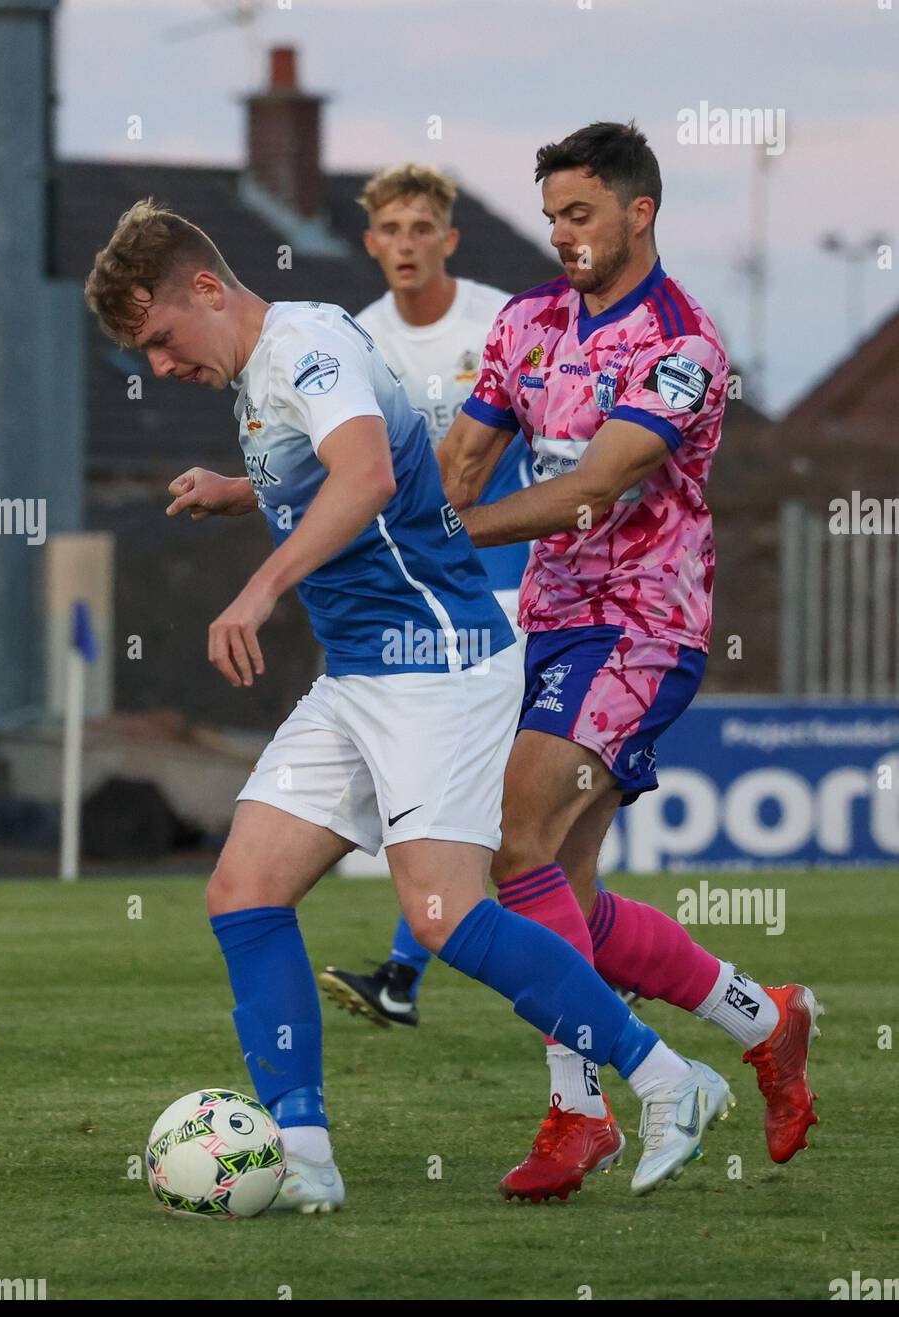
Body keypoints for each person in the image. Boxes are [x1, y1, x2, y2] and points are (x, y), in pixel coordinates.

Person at [84, 197, 732, 1211]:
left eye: (161, 339)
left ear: (207, 288)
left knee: (441, 916)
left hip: (437, 663)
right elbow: (335, 467)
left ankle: (666, 1079)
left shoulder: (304, 343)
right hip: (360, 675)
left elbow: (371, 474)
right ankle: (304, 1158)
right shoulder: (272, 368)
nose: (160, 367)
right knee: (244, 891)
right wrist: (238, 488)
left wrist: (260, 587)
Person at [432, 121, 821, 1203]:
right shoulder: (525, 325)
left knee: (514, 847)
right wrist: (356, 514)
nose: (561, 234)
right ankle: (764, 1015)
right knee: (569, 898)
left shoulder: (683, 345)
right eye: (553, 214)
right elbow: (459, 462)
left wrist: (452, 535)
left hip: (645, 623)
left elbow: (590, 489)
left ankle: (583, 1112)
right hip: (552, 624)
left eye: (581, 214)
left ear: (639, 212)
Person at [317, 162, 534, 1028]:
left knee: (493, 804)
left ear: (447, 238)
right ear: (371, 245)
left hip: (509, 586)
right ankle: (418, 972)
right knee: (477, 804)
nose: (406, 245)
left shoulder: (498, 320)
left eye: (421, 229)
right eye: (391, 232)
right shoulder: (359, 340)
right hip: (416, 599)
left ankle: (410, 974)